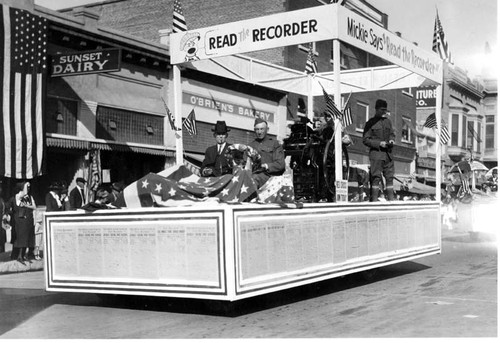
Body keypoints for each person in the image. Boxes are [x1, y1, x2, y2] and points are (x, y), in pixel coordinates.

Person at [363, 99, 395, 202]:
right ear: (376, 109)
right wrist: (379, 143)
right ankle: (375, 201)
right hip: (376, 154)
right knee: (375, 177)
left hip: (388, 154)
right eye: (382, 110)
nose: (384, 112)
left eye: (385, 110)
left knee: (390, 177)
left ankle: (391, 200)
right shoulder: (370, 123)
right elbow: (365, 140)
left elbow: (392, 134)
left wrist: (391, 140)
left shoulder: (388, 122)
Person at [249, 117, 286, 188]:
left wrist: (265, 166)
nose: (259, 132)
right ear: (254, 130)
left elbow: (280, 165)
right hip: (254, 175)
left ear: (267, 130)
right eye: (257, 129)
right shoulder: (251, 145)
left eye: (262, 129)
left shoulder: (275, 144)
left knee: (254, 178)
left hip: (271, 178)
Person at [10, 181, 37, 264]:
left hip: (28, 220)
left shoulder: (29, 196)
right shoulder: (19, 195)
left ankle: (24, 255)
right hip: (20, 220)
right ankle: (19, 256)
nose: (28, 188)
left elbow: (34, 207)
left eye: (29, 187)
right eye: (27, 187)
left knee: (27, 238)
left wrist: (26, 206)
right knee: (21, 238)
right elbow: (18, 202)